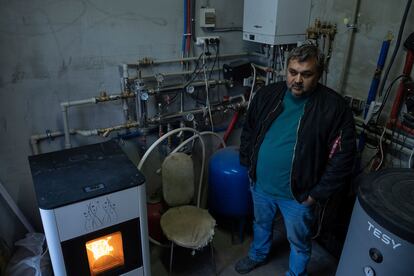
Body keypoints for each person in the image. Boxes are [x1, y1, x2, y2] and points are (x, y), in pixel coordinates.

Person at [235, 44, 356, 275]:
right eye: (293, 72)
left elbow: (343, 158)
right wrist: (249, 163)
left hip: (299, 195)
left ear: (319, 75)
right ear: (286, 70)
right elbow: (249, 130)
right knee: (260, 224)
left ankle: (295, 273)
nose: (297, 80)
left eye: (306, 74)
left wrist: (315, 194)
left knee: (299, 241)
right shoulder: (268, 94)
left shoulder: (334, 107)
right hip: (260, 185)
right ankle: (258, 255)